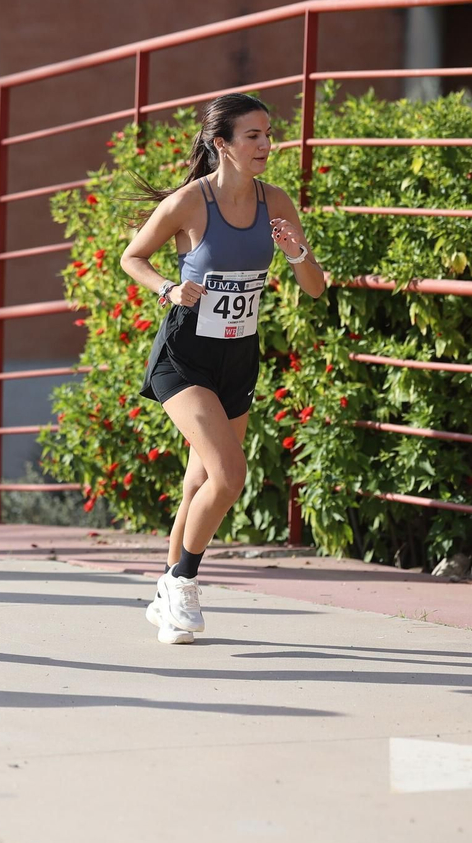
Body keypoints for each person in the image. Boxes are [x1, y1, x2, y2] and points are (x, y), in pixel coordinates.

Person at [121, 93, 326, 645]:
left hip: (239, 356)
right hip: (185, 355)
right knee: (230, 475)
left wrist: (295, 253)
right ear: (222, 144)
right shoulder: (191, 203)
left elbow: (316, 288)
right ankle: (184, 582)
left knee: (201, 480)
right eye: (253, 136)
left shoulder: (276, 201)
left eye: (267, 134)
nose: (265, 144)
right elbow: (131, 257)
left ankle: (167, 593)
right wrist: (168, 287)